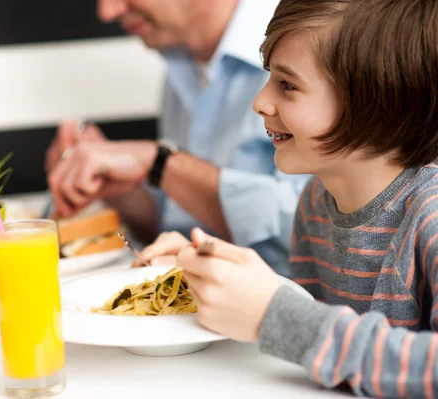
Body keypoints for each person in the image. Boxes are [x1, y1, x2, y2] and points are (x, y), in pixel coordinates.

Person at [142, 0, 438, 397]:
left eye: (288, 85)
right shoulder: (318, 200)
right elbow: (305, 309)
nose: (260, 102)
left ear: (378, 102)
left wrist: (274, 316)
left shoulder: (430, 215)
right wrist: (203, 269)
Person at [45, 0, 308, 277]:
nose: (107, 11)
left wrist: (161, 163)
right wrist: (123, 189)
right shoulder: (180, 64)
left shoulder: (316, 39)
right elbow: (182, 225)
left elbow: (318, 231)